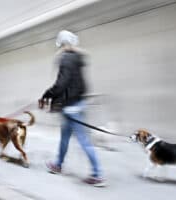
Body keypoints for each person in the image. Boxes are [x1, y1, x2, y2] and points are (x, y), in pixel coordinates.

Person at [39, 30, 105, 187]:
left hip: (71, 107)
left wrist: (47, 94)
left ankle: (98, 175)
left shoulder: (66, 59)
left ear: (62, 44)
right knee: (65, 137)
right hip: (77, 104)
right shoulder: (78, 58)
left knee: (83, 141)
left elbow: (61, 84)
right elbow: (80, 85)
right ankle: (58, 164)